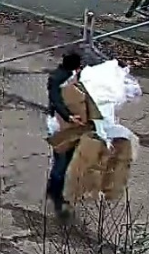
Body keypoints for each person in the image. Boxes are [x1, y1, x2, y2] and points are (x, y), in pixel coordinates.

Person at [46, 50, 85, 215]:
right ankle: (55, 195)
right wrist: (68, 117)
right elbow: (56, 100)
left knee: (65, 159)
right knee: (61, 162)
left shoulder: (71, 76)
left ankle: (52, 188)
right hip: (59, 125)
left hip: (69, 125)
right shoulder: (57, 78)